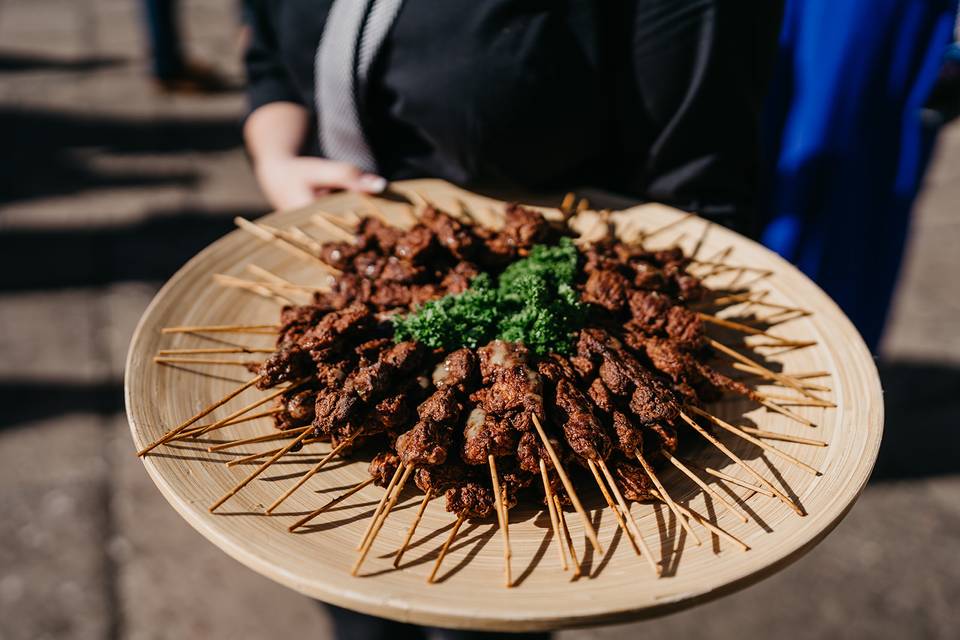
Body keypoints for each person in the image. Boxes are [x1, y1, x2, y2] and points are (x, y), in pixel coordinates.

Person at [240, 1, 781, 638]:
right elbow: (270, 52)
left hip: (569, 274)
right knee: (357, 613)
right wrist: (275, 156)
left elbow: (696, 185)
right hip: (359, 275)